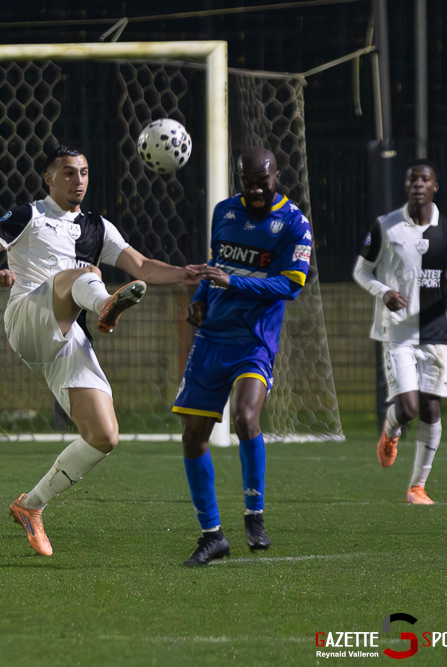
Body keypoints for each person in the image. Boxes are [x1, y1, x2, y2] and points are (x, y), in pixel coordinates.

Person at [0, 144, 200, 556]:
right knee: (82, 274)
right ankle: (106, 304)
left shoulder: (98, 227)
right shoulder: (29, 214)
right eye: (68, 173)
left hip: (68, 335)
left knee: (104, 436)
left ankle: (30, 506)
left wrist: (187, 273)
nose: (79, 180)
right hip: (28, 316)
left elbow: (140, 266)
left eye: (84, 172)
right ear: (49, 179)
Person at [174, 147, 313, 566]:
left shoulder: (293, 223)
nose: (254, 189)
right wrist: (200, 300)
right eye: (247, 181)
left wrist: (231, 281)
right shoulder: (224, 212)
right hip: (212, 337)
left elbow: (290, 286)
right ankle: (211, 535)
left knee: (246, 418)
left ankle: (255, 516)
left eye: (262, 180)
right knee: (193, 435)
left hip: (255, 339)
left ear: (277, 175)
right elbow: (217, 264)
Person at [353, 160, 447, 505]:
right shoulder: (386, 227)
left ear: (435, 187)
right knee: (408, 408)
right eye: (412, 179)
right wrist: (384, 292)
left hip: (437, 330)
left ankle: (417, 487)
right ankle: (390, 430)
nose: (418, 184)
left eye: (425, 179)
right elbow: (362, 271)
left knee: (431, 409)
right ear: (406, 185)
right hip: (398, 332)